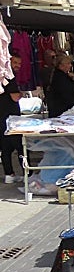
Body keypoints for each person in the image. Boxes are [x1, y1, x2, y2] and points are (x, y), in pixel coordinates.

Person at [0, 54, 23, 183]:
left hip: (2, 116)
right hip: (11, 117)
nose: (17, 66)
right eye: (15, 63)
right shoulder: (9, 77)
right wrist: (21, 94)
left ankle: (9, 174)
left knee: (5, 147)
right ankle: (28, 173)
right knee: (20, 146)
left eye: (19, 63)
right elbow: (15, 97)